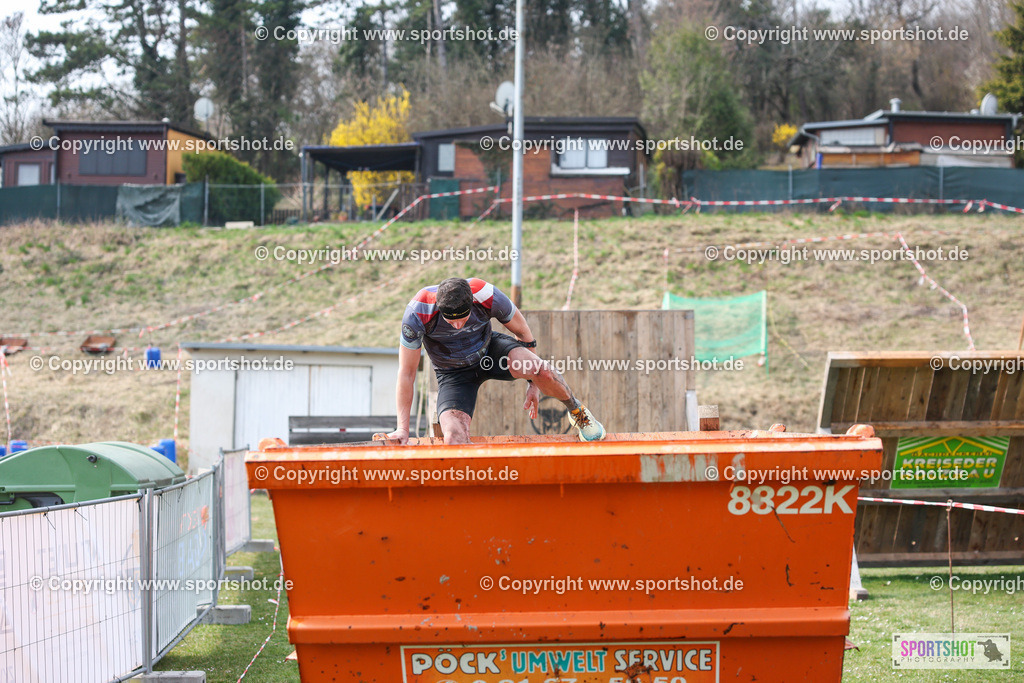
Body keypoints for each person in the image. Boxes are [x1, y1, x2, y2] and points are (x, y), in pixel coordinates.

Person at [374, 277, 605, 445]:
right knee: (453, 437)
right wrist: (402, 428)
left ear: (472, 303)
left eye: (462, 320)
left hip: (491, 352)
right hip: (453, 374)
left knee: (538, 368)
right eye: (450, 322)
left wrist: (533, 383)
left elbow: (525, 335)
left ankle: (578, 413)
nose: (457, 327)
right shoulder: (417, 312)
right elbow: (406, 373)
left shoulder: (486, 294)